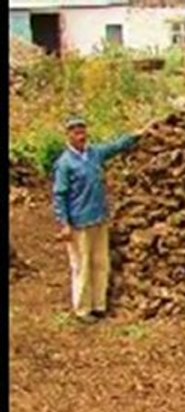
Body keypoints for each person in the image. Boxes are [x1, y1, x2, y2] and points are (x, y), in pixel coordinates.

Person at [52, 117, 140, 323]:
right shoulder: (65, 163)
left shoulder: (94, 154)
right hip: (79, 222)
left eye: (83, 131)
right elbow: (59, 195)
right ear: (69, 136)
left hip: (99, 218)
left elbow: (115, 147)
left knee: (100, 262)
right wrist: (64, 224)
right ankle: (83, 309)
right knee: (82, 264)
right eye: (76, 133)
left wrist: (135, 136)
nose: (81, 136)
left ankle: (99, 305)